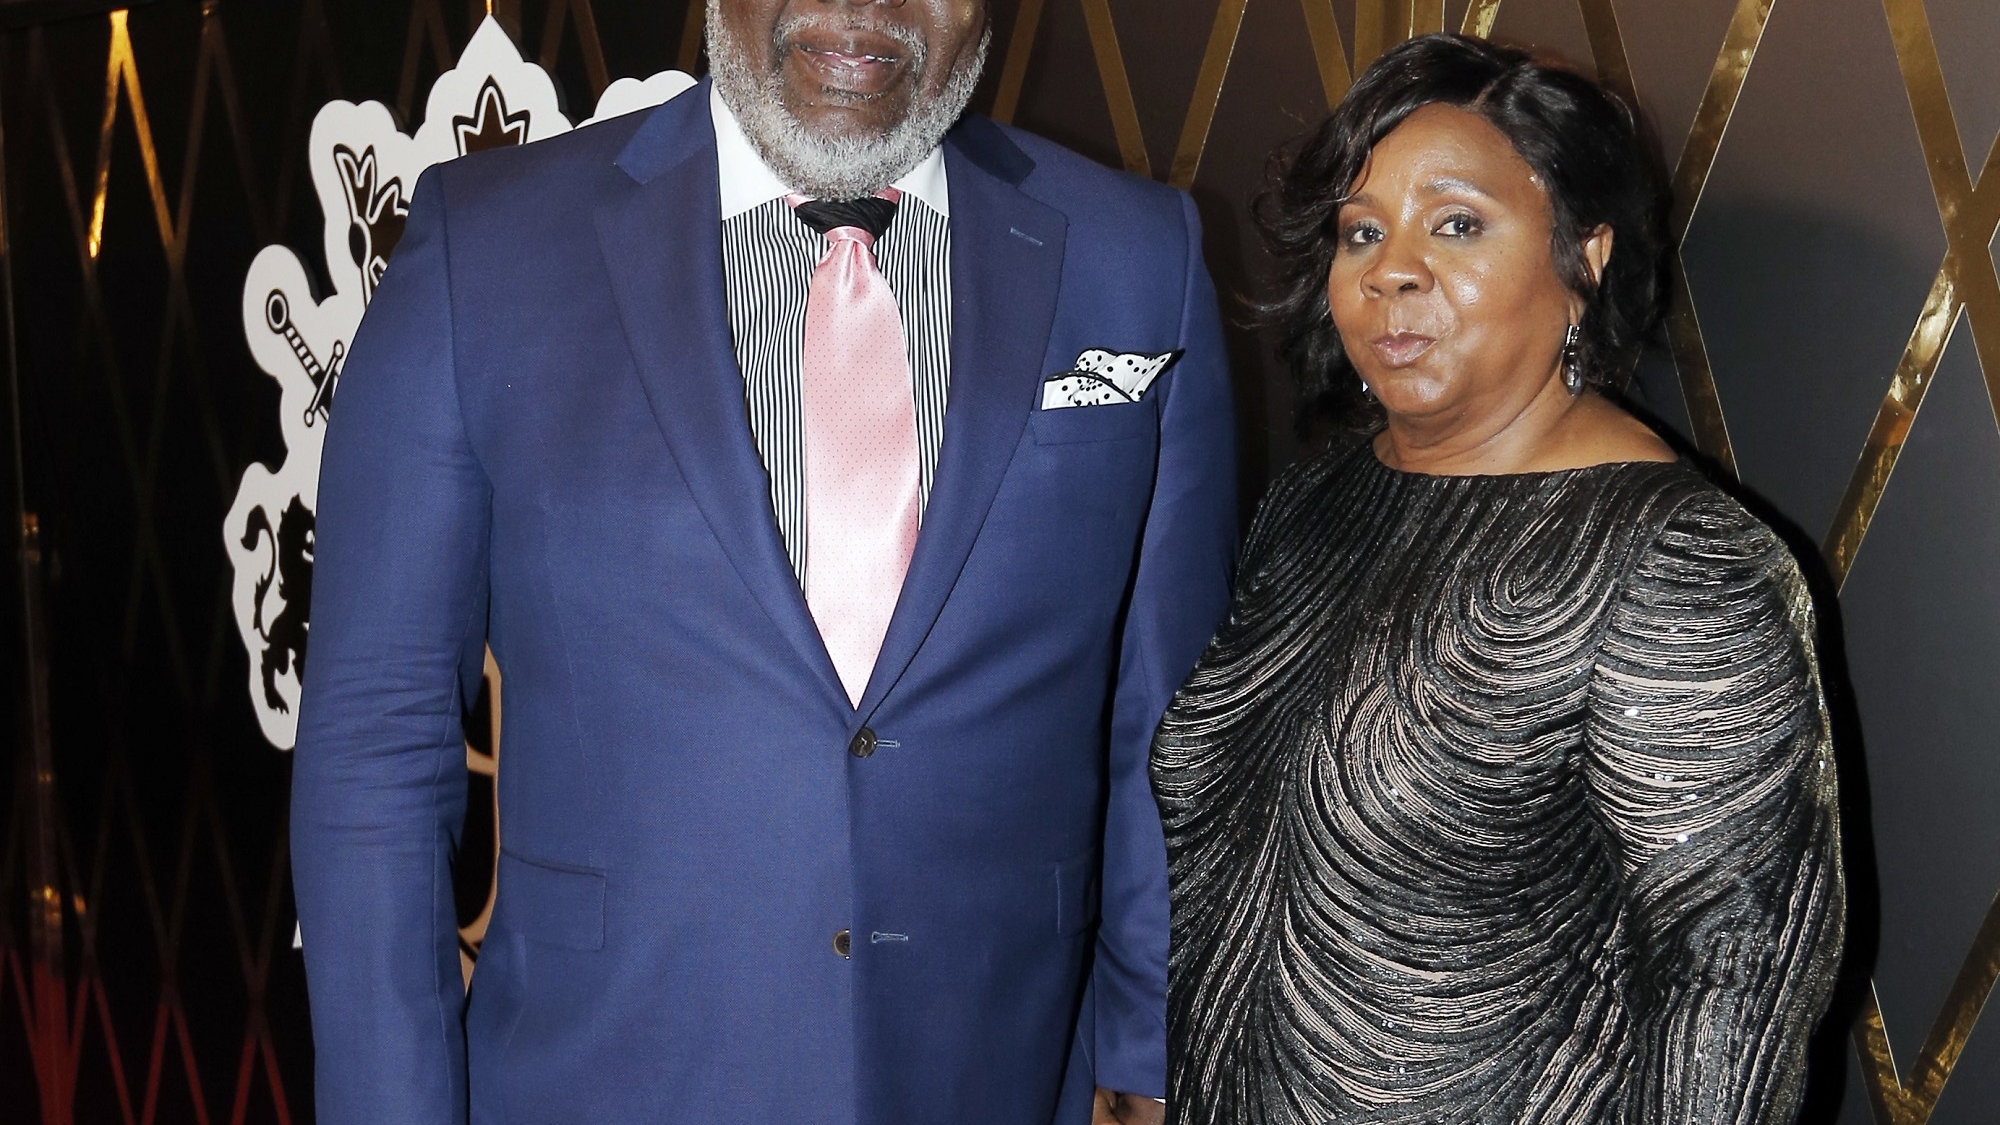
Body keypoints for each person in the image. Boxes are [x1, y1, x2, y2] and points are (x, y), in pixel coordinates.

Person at [291, 0, 1236, 1120]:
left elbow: (1174, 727)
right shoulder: (486, 246)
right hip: (602, 1076)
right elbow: (377, 743)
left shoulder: (1138, 255)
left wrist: (1147, 1060)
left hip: (997, 1073)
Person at [1152, 34, 1843, 1124]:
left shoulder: (1675, 566)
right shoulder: (1314, 501)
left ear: (1585, 258)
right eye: (1360, 232)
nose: (1389, 268)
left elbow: (1732, 989)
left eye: (1457, 223)